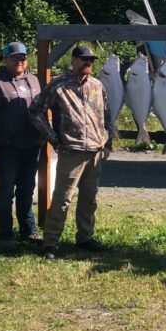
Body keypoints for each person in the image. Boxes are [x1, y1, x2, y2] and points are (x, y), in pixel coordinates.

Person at [28, 44, 112, 258]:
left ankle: (85, 237)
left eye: (91, 60)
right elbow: (35, 112)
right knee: (62, 199)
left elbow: (107, 115)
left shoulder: (97, 85)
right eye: (84, 59)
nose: (88, 63)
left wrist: (107, 142)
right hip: (70, 151)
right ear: (73, 61)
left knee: (89, 198)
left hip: (95, 150)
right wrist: (54, 140)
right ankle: (50, 242)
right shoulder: (58, 86)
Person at [0, 41, 43, 250]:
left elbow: (42, 110)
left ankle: (28, 231)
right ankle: (5, 235)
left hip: (31, 147)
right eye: (15, 58)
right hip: (6, 148)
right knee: (6, 192)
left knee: (27, 190)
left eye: (23, 58)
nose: (20, 61)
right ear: (6, 59)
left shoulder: (34, 81)